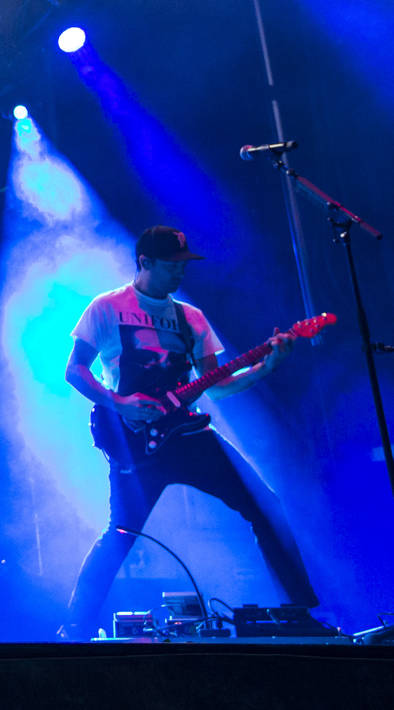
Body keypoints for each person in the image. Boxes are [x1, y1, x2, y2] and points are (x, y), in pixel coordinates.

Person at [61, 225, 318, 640]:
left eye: (184, 265)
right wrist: (119, 402)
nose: (180, 273)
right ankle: (73, 629)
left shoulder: (190, 317)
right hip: (136, 440)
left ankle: (300, 614)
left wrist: (266, 367)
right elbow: (75, 370)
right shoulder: (107, 307)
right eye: (171, 265)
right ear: (144, 262)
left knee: (266, 507)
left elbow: (215, 384)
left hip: (189, 434)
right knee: (122, 533)